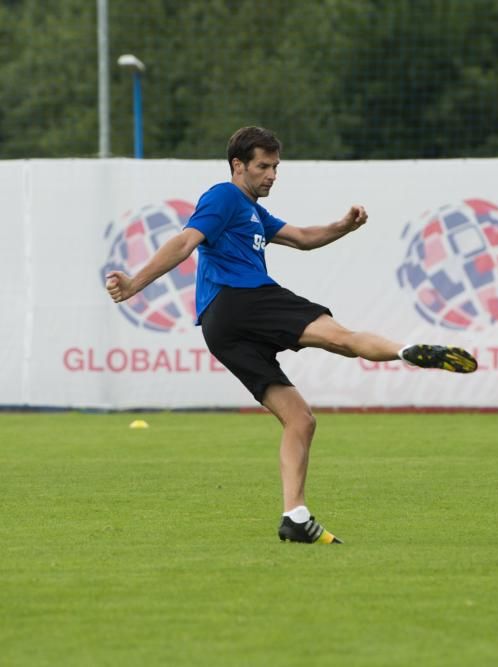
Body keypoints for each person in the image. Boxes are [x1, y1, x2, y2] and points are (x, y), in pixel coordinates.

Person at [106, 126, 478, 545]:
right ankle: (406, 351)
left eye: (276, 167)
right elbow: (185, 241)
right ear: (237, 165)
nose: (271, 175)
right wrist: (136, 283)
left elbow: (301, 238)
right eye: (263, 166)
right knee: (341, 337)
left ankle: (295, 516)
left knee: (300, 419)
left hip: (220, 328)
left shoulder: (252, 212)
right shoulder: (224, 196)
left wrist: (343, 226)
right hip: (245, 299)